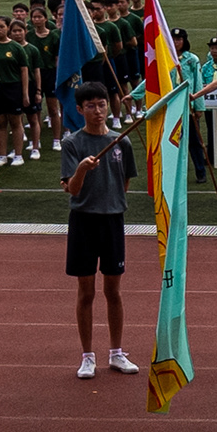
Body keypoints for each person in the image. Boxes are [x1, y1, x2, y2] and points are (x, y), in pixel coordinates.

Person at [61, 84, 139, 379]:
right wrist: (82, 169)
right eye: (91, 106)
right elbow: (72, 188)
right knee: (86, 291)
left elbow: (124, 183)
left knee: (113, 290)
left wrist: (110, 201)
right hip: (83, 221)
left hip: (112, 220)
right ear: (79, 109)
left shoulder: (121, 142)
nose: (98, 111)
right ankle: (87, 356)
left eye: (102, 104)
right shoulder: (72, 143)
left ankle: (117, 352)